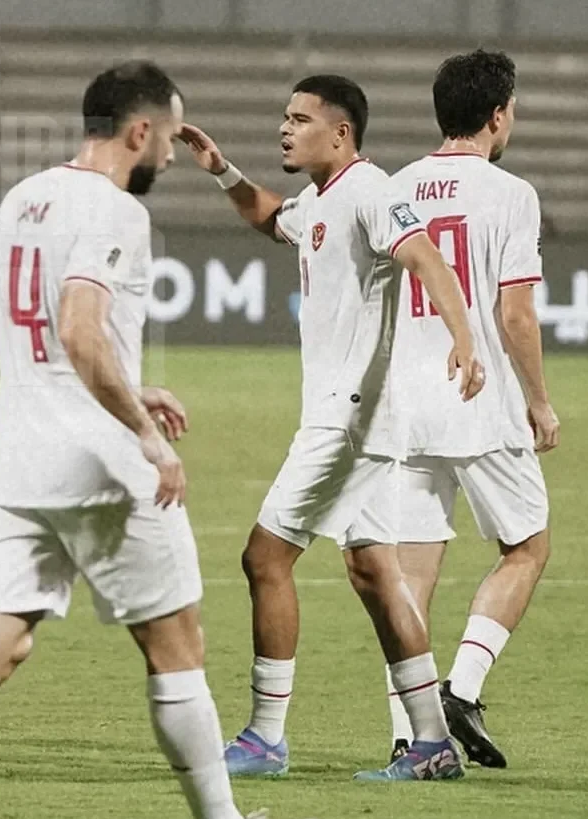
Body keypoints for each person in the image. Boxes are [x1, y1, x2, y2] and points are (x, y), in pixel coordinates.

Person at [0, 61, 326, 819]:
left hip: (22, 461)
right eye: (166, 138)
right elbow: (79, 327)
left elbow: (13, 319)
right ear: (139, 131)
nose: (168, 156)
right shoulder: (116, 211)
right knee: (177, 646)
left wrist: (133, 384)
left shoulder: (22, 196)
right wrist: (145, 431)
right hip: (101, 465)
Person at [180, 74, 486, 782]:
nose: (286, 128)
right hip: (356, 417)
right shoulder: (321, 198)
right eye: (283, 117)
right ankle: (433, 742)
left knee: (265, 558)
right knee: (376, 572)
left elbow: (426, 257)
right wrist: (222, 170)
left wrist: (462, 338)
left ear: (340, 132)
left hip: (347, 419)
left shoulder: (371, 190)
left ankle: (265, 734)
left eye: (300, 118)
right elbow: (269, 216)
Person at [382, 49, 557, 768]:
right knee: (527, 546)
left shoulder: (393, 188)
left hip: (407, 406)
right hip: (480, 398)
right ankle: (464, 688)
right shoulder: (510, 194)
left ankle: (410, 738)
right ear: (496, 115)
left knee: (409, 576)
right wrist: (540, 401)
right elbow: (514, 314)